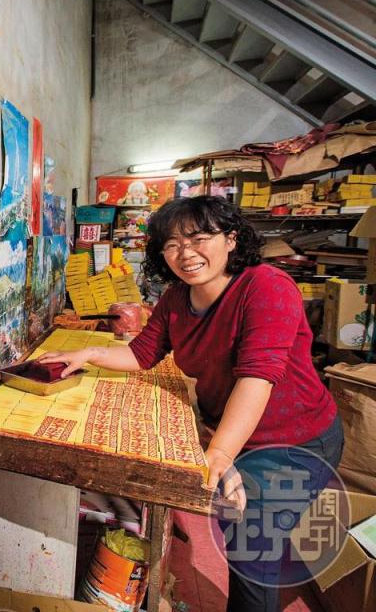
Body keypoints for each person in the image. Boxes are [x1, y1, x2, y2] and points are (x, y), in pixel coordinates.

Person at [40, 196, 343, 612]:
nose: (186, 253)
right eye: (172, 244)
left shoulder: (267, 286)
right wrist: (87, 354)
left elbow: (257, 378)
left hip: (293, 441)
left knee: (251, 546)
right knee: (248, 533)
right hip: (238, 434)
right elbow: (142, 353)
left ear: (231, 239)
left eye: (199, 238)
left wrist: (218, 452)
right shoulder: (177, 298)